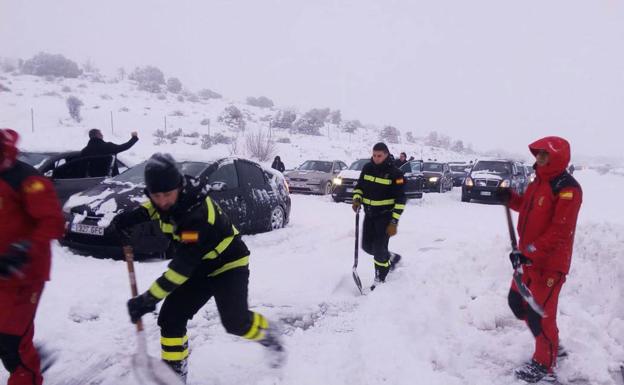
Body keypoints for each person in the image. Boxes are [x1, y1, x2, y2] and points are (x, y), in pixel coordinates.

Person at [111, 153, 285, 383]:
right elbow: (157, 209)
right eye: (156, 195)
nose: (162, 201)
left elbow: (181, 268)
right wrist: (130, 218)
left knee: (236, 322)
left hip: (228, 264)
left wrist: (148, 298)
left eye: (167, 194)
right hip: (200, 266)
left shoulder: (196, 215)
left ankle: (268, 334)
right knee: (171, 318)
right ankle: (174, 374)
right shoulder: (171, 197)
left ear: (179, 188)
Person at [502, 136, 582, 383]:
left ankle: (544, 363)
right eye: (537, 154)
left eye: (544, 154)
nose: (538, 158)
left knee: (540, 314)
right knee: (517, 302)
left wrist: (529, 252)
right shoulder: (538, 182)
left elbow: (560, 231)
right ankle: (550, 342)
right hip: (528, 261)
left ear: (556, 156)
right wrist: (509, 197)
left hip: (549, 265)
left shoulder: (568, 188)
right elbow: (527, 207)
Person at [0, 129, 65, 385]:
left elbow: (54, 221)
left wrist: (22, 250)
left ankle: (28, 374)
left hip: (24, 274)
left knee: (12, 341)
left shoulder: (27, 179)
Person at [352, 142, 406, 288]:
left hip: (385, 216)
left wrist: (394, 221)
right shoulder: (367, 168)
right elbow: (360, 187)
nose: (376, 158)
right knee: (367, 247)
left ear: (386, 154)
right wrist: (357, 198)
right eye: (374, 155)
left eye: (379, 156)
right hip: (369, 214)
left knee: (378, 250)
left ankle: (379, 278)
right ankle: (391, 258)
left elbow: (401, 199)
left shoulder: (396, 174)